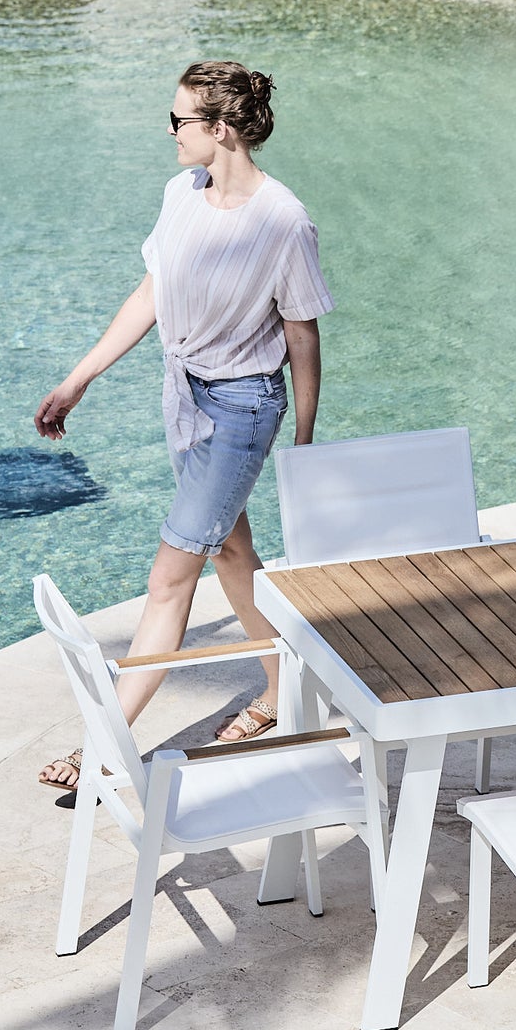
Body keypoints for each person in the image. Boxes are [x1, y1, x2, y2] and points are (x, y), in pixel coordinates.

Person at [33, 60, 330, 791]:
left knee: (170, 581)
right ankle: (280, 690)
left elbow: (301, 337)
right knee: (231, 551)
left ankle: (103, 745)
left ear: (220, 129)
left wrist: (304, 443)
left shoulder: (283, 221)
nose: (170, 134)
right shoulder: (180, 194)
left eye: (179, 121)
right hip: (185, 396)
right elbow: (155, 292)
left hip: (241, 410)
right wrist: (79, 379)